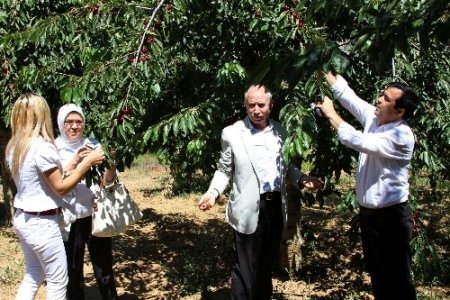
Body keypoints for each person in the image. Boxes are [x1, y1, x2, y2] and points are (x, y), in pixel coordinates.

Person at [198, 84, 323, 300]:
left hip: (274, 208)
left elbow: (285, 168)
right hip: (247, 209)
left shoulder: (281, 132)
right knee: (247, 268)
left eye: (261, 105)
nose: (256, 110)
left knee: (265, 266)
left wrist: (301, 179)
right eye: (251, 105)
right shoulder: (232, 133)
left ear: (271, 106)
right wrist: (213, 192)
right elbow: (224, 170)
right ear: (245, 106)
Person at [316, 72, 419, 300]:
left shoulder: (401, 135)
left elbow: (356, 140)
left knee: (398, 280)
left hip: (391, 219)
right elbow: (348, 96)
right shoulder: (376, 118)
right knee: (379, 276)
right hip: (370, 217)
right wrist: (322, 65)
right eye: (381, 95)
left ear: (400, 111)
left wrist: (330, 113)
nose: (379, 100)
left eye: (385, 99)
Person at [5, 93, 105, 300]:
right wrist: (87, 163)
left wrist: (76, 161)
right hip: (43, 223)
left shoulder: (15, 146)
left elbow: (50, 178)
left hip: (24, 218)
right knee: (58, 281)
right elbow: (61, 187)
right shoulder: (42, 147)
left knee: (33, 275)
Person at [55, 103, 119, 300]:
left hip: (94, 215)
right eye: (69, 122)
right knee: (72, 271)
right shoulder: (53, 148)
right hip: (68, 220)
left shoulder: (94, 144)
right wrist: (78, 161)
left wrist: (111, 162)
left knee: (104, 267)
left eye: (79, 122)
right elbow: (55, 182)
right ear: (60, 123)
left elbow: (108, 181)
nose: (74, 126)